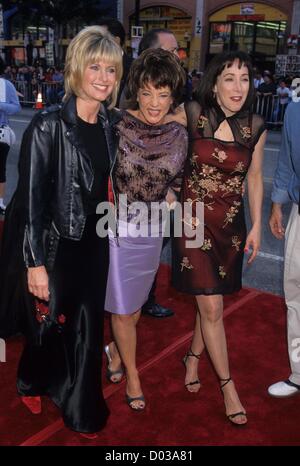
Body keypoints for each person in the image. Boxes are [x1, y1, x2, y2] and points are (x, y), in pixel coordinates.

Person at [0, 26, 123, 437]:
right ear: (76, 69)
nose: (104, 77)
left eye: (111, 69)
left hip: (96, 244)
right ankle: (31, 379)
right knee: (49, 325)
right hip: (56, 245)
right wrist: (34, 264)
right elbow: (31, 204)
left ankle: (82, 407)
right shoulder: (47, 126)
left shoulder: (110, 125)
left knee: (88, 328)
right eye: (95, 67)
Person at [172, 51, 266, 425]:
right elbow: (152, 124)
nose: (238, 87)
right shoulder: (194, 113)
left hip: (230, 225)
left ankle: (192, 357)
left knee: (209, 296)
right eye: (230, 77)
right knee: (211, 306)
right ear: (214, 83)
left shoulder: (256, 125)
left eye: (244, 78)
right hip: (192, 220)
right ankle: (227, 386)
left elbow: (255, 177)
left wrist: (257, 225)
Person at [104, 48, 188, 409]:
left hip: (152, 229)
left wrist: (176, 200)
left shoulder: (178, 133)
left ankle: (117, 352)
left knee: (135, 306)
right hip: (117, 226)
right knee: (122, 310)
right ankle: (134, 377)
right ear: (136, 90)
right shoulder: (116, 123)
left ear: (173, 97)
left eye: (164, 94)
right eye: (148, 92)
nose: (155, 103)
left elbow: (179, 181)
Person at [122, 28, 182, 318]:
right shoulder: (129, 97)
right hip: (129, 210)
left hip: (163, 201)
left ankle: (145, 296)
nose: (177, 56)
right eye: (171, 51)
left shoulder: (180, 87)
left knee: (155, 249)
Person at [267, 101, 300, 398]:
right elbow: (287, 162)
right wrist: (277, 203)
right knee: (295, 294)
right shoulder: (294, 111)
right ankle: (299, 373)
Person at [0, 57, 21, 216]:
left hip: (1, 132)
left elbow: (16, 107)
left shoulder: (6, 85)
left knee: (0, 169)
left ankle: (0, 202)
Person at [98, 17, 133, 107]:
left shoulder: (135, 68)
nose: (98, 42)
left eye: (102, 37)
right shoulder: (90, 66)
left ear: (117, 40)